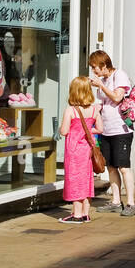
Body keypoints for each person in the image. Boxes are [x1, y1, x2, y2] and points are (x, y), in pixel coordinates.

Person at [88, 50, 135, 214]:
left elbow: (117, 97)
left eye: (95, 67)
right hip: (106, 130)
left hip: (121, 129)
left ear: (104, 64)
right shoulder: (102, 81)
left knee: (123, 166)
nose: (94, 71)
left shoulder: (119, 75)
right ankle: (116, 201)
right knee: (111, 167)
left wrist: (101, 85)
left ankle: (131, 203)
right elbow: (101, 104)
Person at [59, 76, 103, 223]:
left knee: (75, 180)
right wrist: (89, 132)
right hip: (87, 150)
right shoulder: (94, 110)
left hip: (73, 150)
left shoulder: (71, 110)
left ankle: (76, 215)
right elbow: (100, 129)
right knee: (86, 179)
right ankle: (86, 213)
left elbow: (64, 131)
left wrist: (62, 128)